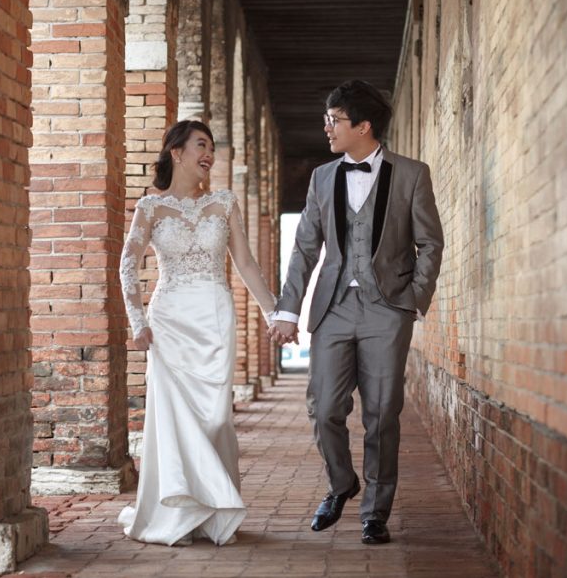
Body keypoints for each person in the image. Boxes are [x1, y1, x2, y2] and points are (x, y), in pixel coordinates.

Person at [268, 80, 444, 545]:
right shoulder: (323, 178)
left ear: (364, 126)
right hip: (334, 309)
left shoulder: (412, 174)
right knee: (324, 407)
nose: (327, 128)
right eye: (327, 119)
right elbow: (305, 248)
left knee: (383, 413)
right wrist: (288, 310)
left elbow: (430, 242)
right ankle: (342, 483)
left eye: (335, 120)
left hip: (388, 309)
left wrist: (413, 298)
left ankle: (375, 512)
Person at [118, 119, 278, 547]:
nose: (208, 155)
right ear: (177, 152)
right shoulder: (150, 208)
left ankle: (211, 509)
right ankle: (179, 513)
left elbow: (246, 264)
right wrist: (138, 322)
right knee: (173, 417)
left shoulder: (224, 203)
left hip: (213, 315)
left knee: (215, 415)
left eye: (211, 147)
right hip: (169, 321)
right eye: (201, 145)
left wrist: (273, 313)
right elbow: (127, 263)